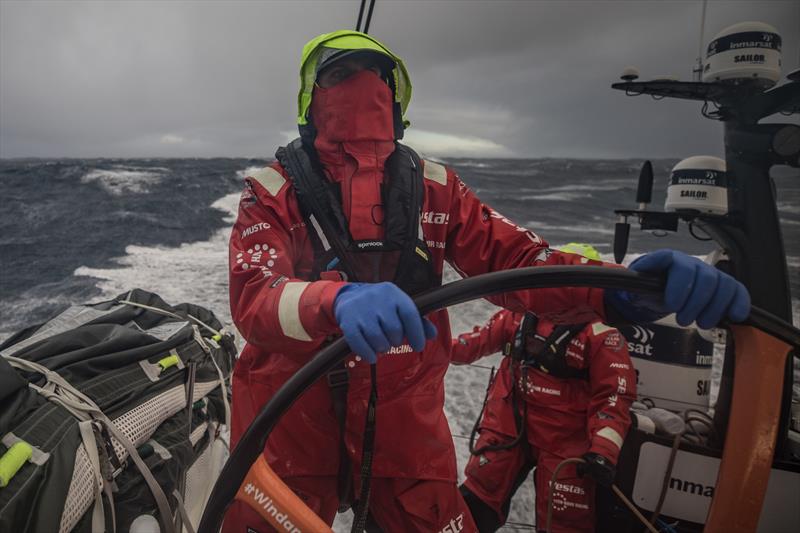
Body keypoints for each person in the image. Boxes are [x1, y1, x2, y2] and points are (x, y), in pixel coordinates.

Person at [226, 30, 751, 533]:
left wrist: (619, 287)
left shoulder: (432, 189)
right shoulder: (276, 192)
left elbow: (519, 263)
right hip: (292, 416)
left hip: (397, 429)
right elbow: (255, 295)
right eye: (343, 73)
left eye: (371, 74)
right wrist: (336, 301)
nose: (361, 85)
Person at [451, 244, 637, 533]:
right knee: (476, 500)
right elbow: (470, 346)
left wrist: (603, 451)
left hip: (566, 443)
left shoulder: (603, 337)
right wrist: (423, 344)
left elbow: (614, 395)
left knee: (563, 522)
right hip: (509, 427)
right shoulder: (519, 317)